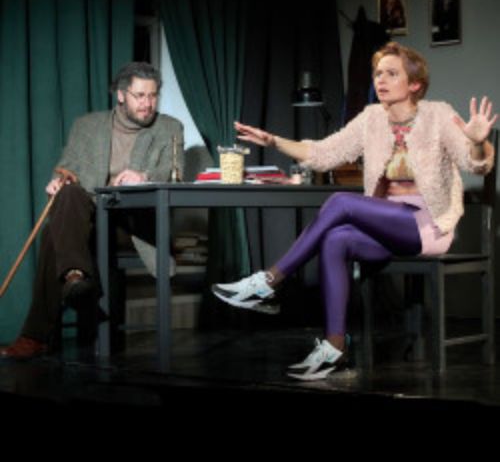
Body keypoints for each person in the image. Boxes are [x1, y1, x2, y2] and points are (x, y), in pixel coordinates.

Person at [212, 41, 496, 381]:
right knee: (336, 240)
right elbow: (322, 153)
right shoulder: (371, 118)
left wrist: (477, 141)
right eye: (378, 73)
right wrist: (273, 141)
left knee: (341, 202)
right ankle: (335, 349)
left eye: (392, 74)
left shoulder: (438, 114)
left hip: (429, 225)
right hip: (386, 222)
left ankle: (269, 281)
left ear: (415, 84)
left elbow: (476, 164)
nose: (381, 80)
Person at [0, 62, 184, 359]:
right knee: (69, 193)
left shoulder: (169, 127)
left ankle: (39, 332)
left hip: (132, 224)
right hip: (89, 218)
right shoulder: (87, 125)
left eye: (153, 96)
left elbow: (175, 172)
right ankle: (75, 276)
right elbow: (66, 168)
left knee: (52, 235)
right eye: (139, 95)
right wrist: (57, 180)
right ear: (121, 95)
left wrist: (144, 176)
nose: (147, 103)